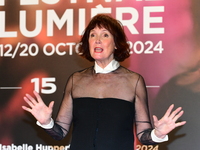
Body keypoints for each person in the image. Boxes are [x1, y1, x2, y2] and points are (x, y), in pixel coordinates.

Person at [22, 14, 186, 150]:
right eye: (93, 35)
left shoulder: (133, 81)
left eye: (105, 35)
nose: (97, 40)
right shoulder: (76, 80)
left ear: (116, 44)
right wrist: (46, 122)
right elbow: (60, 133)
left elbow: (143, 136)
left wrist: (159, 133)